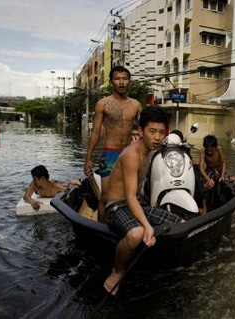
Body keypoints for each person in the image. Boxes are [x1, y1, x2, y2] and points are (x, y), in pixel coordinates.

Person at [103, 107, 184, 296]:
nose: (157, 137)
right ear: (140, 131)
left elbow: (138, 193)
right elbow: (129, 196)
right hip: (116, 206)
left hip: (136, 203)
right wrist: (147, 226)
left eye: (161, 132)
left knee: (179, 223)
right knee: (136, 233)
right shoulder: (132, 155)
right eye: (152, 131)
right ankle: (117, 270)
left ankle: (160, 261)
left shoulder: (149, 152)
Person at [84, 66, 143, 221]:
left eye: (125, 78)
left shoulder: (136, 105)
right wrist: (88, 158)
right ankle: (101, 226)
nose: (121, 82)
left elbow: (144, 129)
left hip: (129, 154)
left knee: (131, 195)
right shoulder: (103, 104)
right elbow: (96, 132)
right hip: (110, 153)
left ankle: (127, 223)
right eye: (117, 79)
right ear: (111, 82)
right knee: (105, 197)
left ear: (130, 82)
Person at [199, 135, 227, 214]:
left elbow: (223, 163)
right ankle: (204, 208)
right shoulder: (203, 152)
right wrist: (207, 179)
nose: (209, 152)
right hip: (209, 170)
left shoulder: (219, 149)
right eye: (208, 150)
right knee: (205, 186)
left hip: (219, 169)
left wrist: (222, 175)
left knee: (223, 183)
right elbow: (201, 168)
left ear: (215, 147)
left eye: (211, 150)